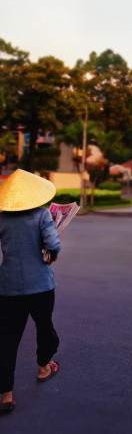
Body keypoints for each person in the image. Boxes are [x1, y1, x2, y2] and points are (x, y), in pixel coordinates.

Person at [0, 169, 61, 414]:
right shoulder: (42, 214)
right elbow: (54, 244)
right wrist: (51, 254)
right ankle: (44, 367)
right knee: (44, 327)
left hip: (8, 287)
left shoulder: (2, 218)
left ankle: (6, 395)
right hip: (40, 286)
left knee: (7, 340)